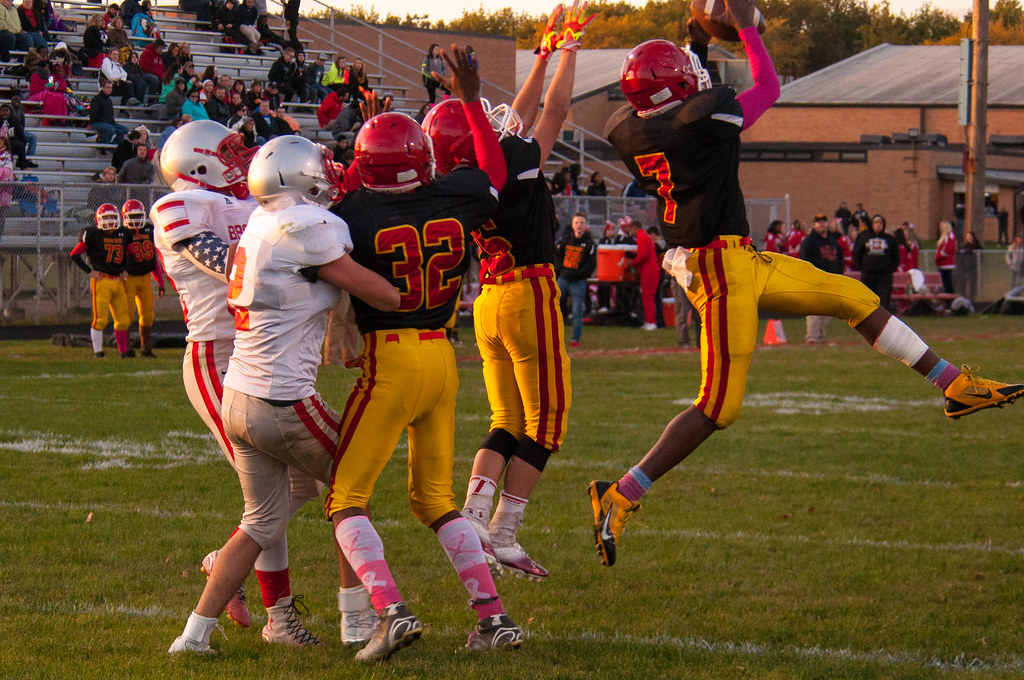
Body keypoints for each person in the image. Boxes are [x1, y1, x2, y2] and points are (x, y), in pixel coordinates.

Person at [588, 0, 1024, 571]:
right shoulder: (704, 118)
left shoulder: (626, 127)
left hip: (740, 258)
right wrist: (744, 27)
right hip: (721, 276)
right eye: (690, 77)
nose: (699, 80)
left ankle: (953, 386)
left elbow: (667, 97)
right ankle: (619, 493)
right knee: (718, 406)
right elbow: (767, 87)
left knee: (855, 297)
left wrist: (693, 39)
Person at [168, 135, 400, 655]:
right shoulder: (302, 225)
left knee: (261, 519)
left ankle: (193, 636)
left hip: (239, 394)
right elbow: (377, 291)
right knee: (351, 486)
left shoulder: (260, 222)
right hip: (282, 398)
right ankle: (359, 620)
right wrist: (411, 296)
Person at [327, 48, 522, 662]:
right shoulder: (457, 194)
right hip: (442, 357)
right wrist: (469, 96)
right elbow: (493, 169)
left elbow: (337, 224)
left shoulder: (351, 212)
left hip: (391, 358)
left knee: (344, 498)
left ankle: (390, 610)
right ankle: (493, 618)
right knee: (434, 500)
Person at [426, 3, 594, 581]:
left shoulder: (455, 178)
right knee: (547, 423)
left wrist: (543, 54)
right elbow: (554, 112)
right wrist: (569, 48)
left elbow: (514, 123)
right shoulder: (511, 163)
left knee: (506, 417)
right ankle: (502, 532)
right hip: (529, 294)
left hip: (489, 302)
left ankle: (473, 513)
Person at [149, 120, 285, 639]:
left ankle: (227, 559)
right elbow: (226, 264)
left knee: (302, 482)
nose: (241, 157)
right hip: (216, 356)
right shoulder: (176, 207)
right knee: (270, 492)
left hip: (261, 351)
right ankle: (279, 617)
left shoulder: (248, 202)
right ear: (198, 162)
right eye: (228, 150)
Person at [68, 204, 134, 358]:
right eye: (106, 218)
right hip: (102, 281)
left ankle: (123, 351)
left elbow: (132, 254)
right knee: (100, 319)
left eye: (112, 217)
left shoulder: (123, 233)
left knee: (123, 320)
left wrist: (126, 269)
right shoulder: (92, 234)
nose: (110, 221)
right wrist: (90, 271)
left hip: (118, 281)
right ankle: (98, 352)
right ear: (98, 220)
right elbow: (74, 254)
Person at [120, 198, 164, 356]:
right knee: (127, 315)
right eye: (132, 217)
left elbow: (153, 258)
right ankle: (126, 349)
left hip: (145, 277)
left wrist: (159, 280)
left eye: (138, 216)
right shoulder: (122, 233)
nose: (135, 220)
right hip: (128, 278)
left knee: (147, 314)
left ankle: (146, 348)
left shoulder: (148, 230)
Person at [799, 213, 843, 344]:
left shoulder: (832, 241)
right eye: (818, 221)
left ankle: (821, 336)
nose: (821, 223)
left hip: (831, 279)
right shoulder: (809, 241)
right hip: (816, 279)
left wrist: (839, 277)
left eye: (823, 221)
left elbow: (839, 260)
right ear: (814, 225)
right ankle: (812, 337)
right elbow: (805, 260)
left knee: (828, 310)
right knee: (814, 309)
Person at [555, 211, 597, 348]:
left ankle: (575, 339)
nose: (579, 225)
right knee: (553, 307)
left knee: (577, 310)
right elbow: (556, 256)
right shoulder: (565, 240)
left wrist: (576, 274)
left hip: (578, 281)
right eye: (577, 223)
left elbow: (590, 265)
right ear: (572, 225)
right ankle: (554, 337)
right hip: (563, 278)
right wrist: (561, 271)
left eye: (582, 223)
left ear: (586, 225)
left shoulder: (590, 244)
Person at [853, 214, 898, 312]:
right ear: (871, 224)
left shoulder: (890, 239)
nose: (878, 225)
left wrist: (890, 269)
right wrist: (862, 267)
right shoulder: (864, 237)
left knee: (884, 301)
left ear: (884, 224)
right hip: (868, 273)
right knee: (868, 299)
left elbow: (895, 257)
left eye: (880, 223)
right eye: (875, 222)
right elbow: (857, 253)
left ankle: (883, 321)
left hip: (884, 275)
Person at [620, 217, 660, 329]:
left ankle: (651, 322)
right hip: (650, 269)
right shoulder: (644, 237)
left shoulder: (641, 237)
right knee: (648, 296)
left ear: (634, 228)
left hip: (649, 270)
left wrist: (632, 263)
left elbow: (642, 254)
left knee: (648, 296)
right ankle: (649, 321)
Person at [90, 79, 129, 145]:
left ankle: (112, 146)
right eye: (107, 87)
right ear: (102, 88)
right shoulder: (96, 99)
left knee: (125, 130)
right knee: (110, 129)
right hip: (97, 122)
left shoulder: (109, 101)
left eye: (111, 87)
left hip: (109, 123)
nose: (109, 89)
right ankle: (103, 145)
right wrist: (107, 120)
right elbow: (94, 115)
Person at [0, 102, 36, 169]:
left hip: (10, 142)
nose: (5, 112)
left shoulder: (14, 121)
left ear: (10, 112)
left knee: (20, 145)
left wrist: (23, 142)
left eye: (6, 111)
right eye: (3, 111)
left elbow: (20, 133)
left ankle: (22, 165)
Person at [935, 219, 957, 296]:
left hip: (946, 264)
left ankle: (950, 301)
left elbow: (948, 249)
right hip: (942, 264)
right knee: (945, 283)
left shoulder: (949, 235)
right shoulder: (945, 236)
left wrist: (939, 256)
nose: (940, 228)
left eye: (941, 226)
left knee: (948, 284)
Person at [960, 230, 982, 303]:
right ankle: (965, 299)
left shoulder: (977, 246)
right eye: (967, 236)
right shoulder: (965, 247)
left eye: (970, 236)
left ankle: (971, 299)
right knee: (966, 284)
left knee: (973, 285)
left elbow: (981, 256)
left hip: (974, 268)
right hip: (966, 269)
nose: (968, 238)